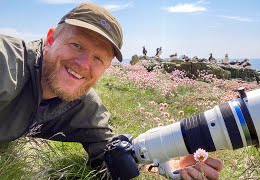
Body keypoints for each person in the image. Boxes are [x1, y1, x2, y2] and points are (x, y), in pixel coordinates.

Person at [0, 2, 223, 179]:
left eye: (98, 58)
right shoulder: (7, 65)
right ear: (50, 39)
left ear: (107, 68)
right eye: (77, 45)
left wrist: (163, 164)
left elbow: (110, 152)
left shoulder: (83, 105)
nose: (83, 64)